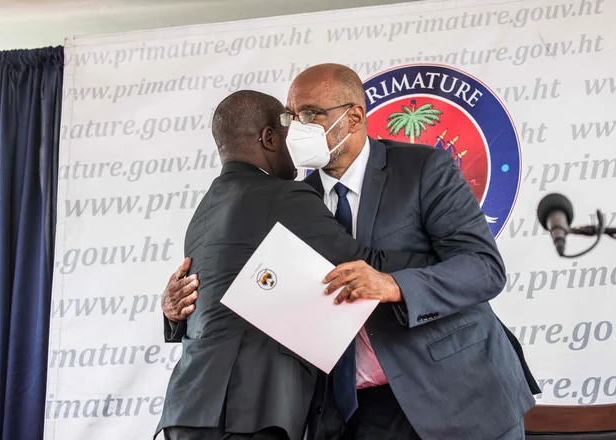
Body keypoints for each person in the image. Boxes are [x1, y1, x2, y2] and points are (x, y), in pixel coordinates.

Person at [162, 64, 540, 440]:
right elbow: (243, 284)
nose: (298, 127)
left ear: (354, 116)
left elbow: (484, 268)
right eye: (291, 117)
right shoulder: (289, 196)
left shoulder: (423, 168)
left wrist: (394, 285)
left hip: (457, 391)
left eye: (309, 114)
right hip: (355, 409)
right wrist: (176, 310)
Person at [154, 89, 436, 440]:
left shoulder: (205, 210)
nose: (301, 138)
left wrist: (170, 314)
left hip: (189, 408)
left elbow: (202, 303)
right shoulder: (283, 196)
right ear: (269, 138)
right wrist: (441, 260)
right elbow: (363, 266)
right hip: (249, 410)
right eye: (291, 128)